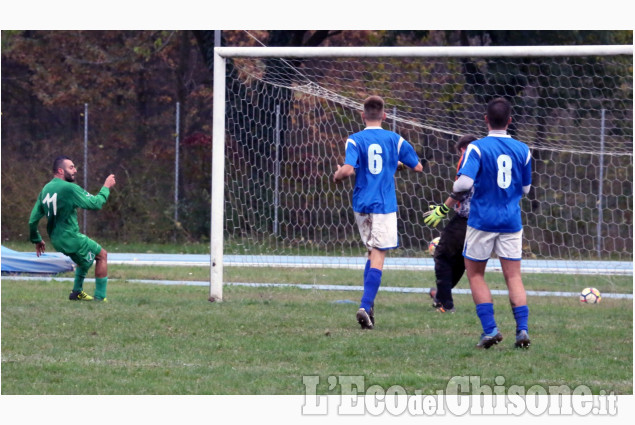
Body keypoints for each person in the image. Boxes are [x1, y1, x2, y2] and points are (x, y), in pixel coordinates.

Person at [333, 95, 423, 329]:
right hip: (383, 205)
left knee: (372, 252)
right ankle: (364, 305)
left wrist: (337, 175)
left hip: (361, 203)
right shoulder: (396, 139)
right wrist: (398, 165)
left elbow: (348, 170)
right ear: (384, 115)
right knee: (380, 254)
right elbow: (418, 166)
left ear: (363, 115)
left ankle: (369, 311)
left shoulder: (354, 140)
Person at [452, 97, 532, 349]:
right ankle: (522, 331)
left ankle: (490, 330)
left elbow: (464, 184)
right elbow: (527, 189)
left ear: (486, 120)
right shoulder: (523, 149)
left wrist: (455, 190)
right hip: (510, 220)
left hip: (482, 220)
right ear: (509, 121)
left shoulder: (477, 148)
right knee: (513, 276)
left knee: (475, 274)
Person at [29, 156, 116, 302]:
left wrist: (36, 239)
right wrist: (106, 187)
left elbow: (32, 220)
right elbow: (95, 204)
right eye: (71, 167)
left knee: (84, 261)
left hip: (56, 240)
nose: (75, 170)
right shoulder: (69, 188)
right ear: (60, 171)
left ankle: (76, 292)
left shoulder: (46, 189)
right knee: (102, 255)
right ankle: (100, 298)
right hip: (70, 238)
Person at [423, 134, 478, 313]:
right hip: (483, 219)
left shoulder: (470, 155)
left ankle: (446, 304)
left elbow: (464, 186)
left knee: (443, 255)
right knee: (462, 260)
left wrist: (444, 208)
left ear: (463, 148)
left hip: (466, 217)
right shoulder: (488, 157)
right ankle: (441, 295)